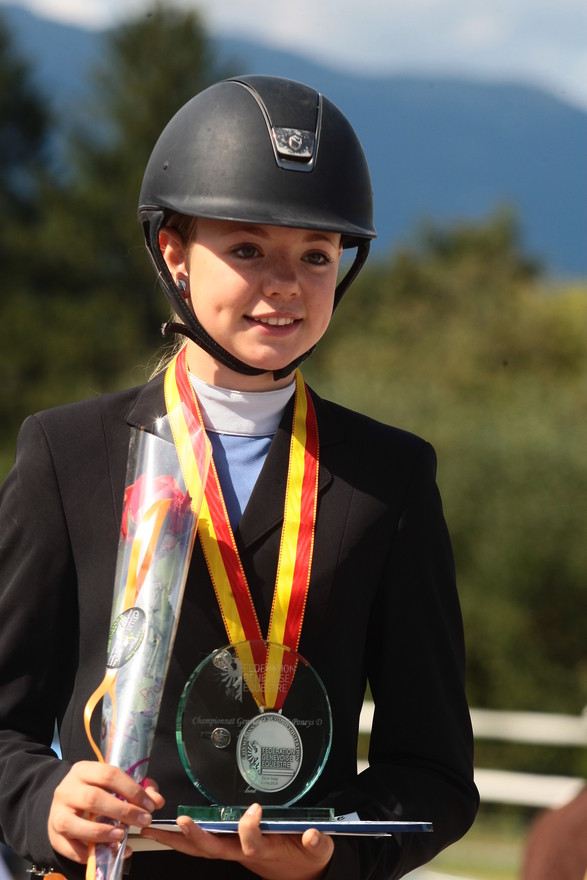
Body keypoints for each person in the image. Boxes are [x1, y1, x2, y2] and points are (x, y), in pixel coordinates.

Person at [0, 75, 478, 880]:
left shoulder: (390, 478)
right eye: (248, 249)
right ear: (174, 254)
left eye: (316, 255)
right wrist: (42, 797)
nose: (285, 283)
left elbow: (433, 773)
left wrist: (331, 858)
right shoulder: (66, 453)